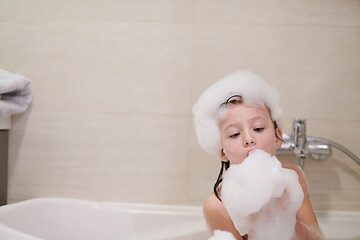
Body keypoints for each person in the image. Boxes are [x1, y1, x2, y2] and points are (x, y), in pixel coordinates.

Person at [192, 70, 322, 240]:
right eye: (234, 134)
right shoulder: (217, 206)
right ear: (222, 152)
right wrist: (257, 221)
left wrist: (282, 212)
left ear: (278, 137)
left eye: (258, 129)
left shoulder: (293, 178)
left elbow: (315, 237)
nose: (249, 139)